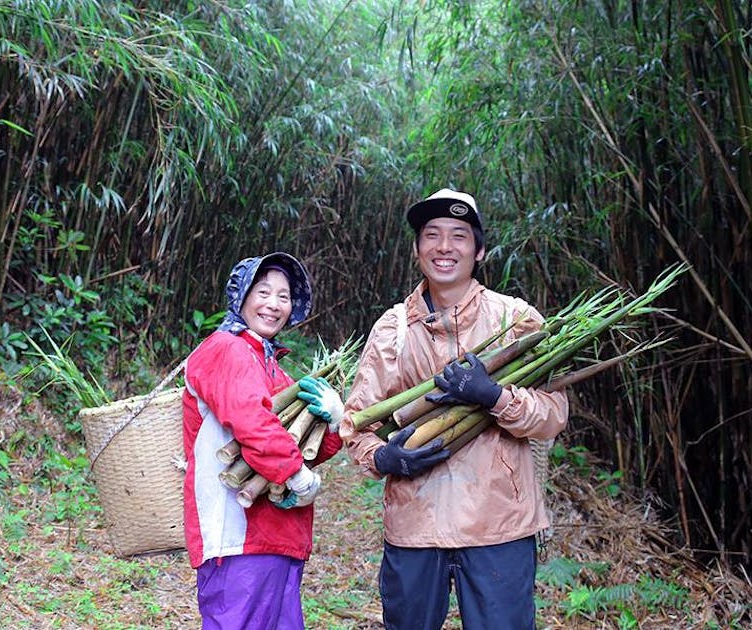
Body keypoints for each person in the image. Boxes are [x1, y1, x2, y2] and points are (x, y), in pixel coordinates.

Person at [339, 189, 569, 630]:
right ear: (416, 249)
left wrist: (494, 396)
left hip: (498, 524)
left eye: (459, 236)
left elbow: (553, 414)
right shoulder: (392, 330)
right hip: (414, 524)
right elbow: (356, 424)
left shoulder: (516, 321)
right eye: (432, 235)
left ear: (479, 251)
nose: (445, 247)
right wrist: (384, 457)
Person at [182, 252, 345, 630]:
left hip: (275, 535)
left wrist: (335, 422)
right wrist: (294, 475)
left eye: (284, 296)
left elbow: (309, 446)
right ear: (241, 296)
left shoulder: (270, 364)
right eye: (263, 291)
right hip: (238, 535)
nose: (273, 304)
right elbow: (252, 423)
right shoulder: (226, 348)